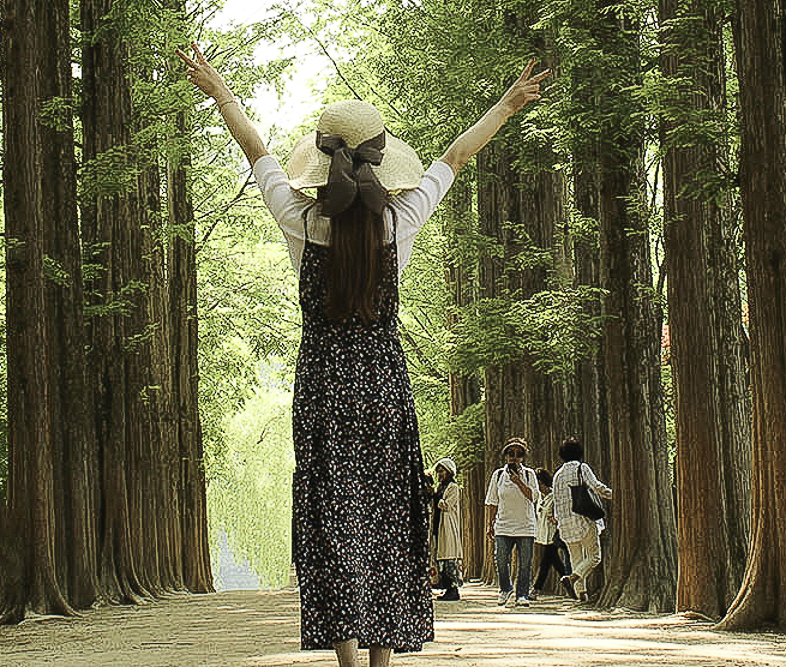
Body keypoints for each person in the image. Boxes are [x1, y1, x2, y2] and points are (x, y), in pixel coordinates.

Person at [183, 44, 550, 667]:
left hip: (323, 388)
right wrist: (510, 102)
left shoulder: (299, 221)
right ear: (381, 164)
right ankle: (383, 661)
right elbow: (457, 155)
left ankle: (347, 659)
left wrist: (219, 90)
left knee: (333, 513)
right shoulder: (400, 220)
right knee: (385, 515)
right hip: (382, 385)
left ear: (321, 162)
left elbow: (255, 149)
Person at [550, 436, 614, 603]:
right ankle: (572, 578)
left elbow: (556, 501)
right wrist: (614, 494)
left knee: (576, 559)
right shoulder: (581, 468)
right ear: (579, 453)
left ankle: (582, 596)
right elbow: (596, 486)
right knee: (594, 556)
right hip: (583, 520)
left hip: (565, 525)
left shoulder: (557, 475)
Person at [484, 436, 539, 607]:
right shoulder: (498, 475)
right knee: (500, 558)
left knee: (525, 562)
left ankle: (521, 594)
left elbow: (534, 497)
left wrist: (519, 482)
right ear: (506, 456)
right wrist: (490, 523)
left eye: (518, 454)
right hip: (503, 525)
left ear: (523, 457)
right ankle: (505, 588)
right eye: (511, 453)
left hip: (525, 526)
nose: (514, 457)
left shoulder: (529, 475)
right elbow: (492, 501)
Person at [530, 466, 573, 597]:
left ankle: (536, 589)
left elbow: (565, 512)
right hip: (544, 534)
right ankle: (569, 584)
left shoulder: (555, 496)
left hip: (555, 534)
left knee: (546, 561)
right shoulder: (539, 497)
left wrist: (556, 520)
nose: (538, 486)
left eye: (539, 483)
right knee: (554, 562)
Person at [431, 458, 464, 600]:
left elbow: (447, 505)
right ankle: (446, 587)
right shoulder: (440, 487)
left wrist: (435, 497)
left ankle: (453, 588)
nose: (440, 474)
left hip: (448, 526)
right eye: (438, 472)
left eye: (442, 471)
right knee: (441, 557)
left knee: (449, 557)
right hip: (438, 525)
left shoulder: (453, 487)